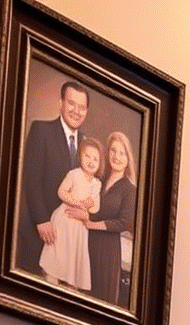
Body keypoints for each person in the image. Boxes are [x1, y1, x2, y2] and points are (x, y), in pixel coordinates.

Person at [16, 78, 90, 275]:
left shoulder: (87, 144)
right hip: (39, 232)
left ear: (86, 111)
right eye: (71, 103)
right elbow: (31, 180)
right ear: (61, 103)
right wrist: (41, 220)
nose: (76, 111)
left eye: (82, 107)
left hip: (69, 239)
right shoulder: (41, 130)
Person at [65, 129, 138, 308]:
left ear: (128, 158)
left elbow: (124, 222)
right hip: (85, 242)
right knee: (78, 296)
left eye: (122, 153)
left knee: (100, 302)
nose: (117, 156)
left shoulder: (129, 189)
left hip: (107, 250)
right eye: (113, 150)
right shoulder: (98, 179)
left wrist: (91, 224)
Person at [37, 137, 102, 291]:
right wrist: (77, 203)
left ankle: (70, 284)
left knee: (73, 255)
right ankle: (51, 278)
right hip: (64, 220)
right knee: (59, 251)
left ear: (100, 164)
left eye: (95, 159)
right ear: (80, 156)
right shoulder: (74, 174)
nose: (91, 161)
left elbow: (96, 206)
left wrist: (91, 205)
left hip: (79, 227)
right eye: (87, 156)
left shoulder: (96, 184)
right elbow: (61, 192)